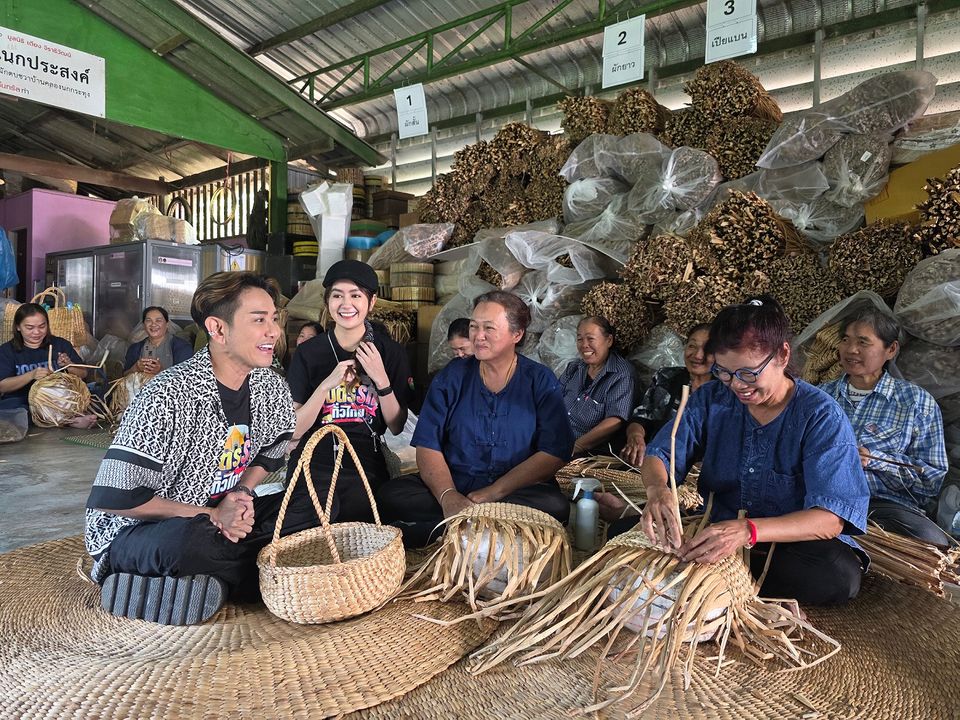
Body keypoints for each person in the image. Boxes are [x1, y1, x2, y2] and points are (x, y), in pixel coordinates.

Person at [84, 272, 316, 625]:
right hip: (141, 529)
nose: (273, 331)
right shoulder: (168, 395)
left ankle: (206, 580)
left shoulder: (270, 385)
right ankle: (253, 579)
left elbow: (275, 446)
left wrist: (239, 494)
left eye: (274, 319)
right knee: (192, 541)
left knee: (313, 503)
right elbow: (115, 500)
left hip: (217, 514)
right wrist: (211, 516)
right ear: (218, 329)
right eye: (258, 320)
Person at [606, 297, 870, 606]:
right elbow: (660, 454)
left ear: (782, 355)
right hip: (717, 531)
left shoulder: (820, 415)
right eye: (724, 372)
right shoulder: (712, 398)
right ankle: (724, 575)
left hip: (787, 543)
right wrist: (657, 489)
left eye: (748, 373)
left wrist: (748, 531)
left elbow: (829, 519)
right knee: (621, 533)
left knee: (838, 576)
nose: (736, 385)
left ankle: (719, 579)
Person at [376, 290, 575, 548]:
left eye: (488, 328)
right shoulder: (451, 377)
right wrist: (448, 496)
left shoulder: (539, 380)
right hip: (456, 483)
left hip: (513, 490)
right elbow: (428, 445)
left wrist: (493, 493)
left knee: (554, 506)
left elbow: (554, 452)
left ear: (517, 334)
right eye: (473, 326)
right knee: (391, 496)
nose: (477, 336)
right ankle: (480, 528)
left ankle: (444, 531)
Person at [287, 260, 413, 522]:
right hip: (314, 455)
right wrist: (325, 386)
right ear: (327, 301)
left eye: (356, 295)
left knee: (360, 516)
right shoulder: (308, 353)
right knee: (312, 517)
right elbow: (295, 429)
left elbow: (397, 425)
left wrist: (381, 379)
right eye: (337, 296)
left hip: (365, 456)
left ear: (372, 301)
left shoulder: (391, 353)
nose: (346, 304)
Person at [820, 310, 950, 547]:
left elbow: (931, 480)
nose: (851, 349)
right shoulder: (821, 397)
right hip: (824, 500)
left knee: (933, 542)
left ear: (891, 350)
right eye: (846, 339)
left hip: (882, 506)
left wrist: (874, 460)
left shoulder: (916, 402)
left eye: (863, 342)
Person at [621, 324, 713, 466]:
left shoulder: (726, 392)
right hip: (655, 464)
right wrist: (636, 437)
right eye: (692, 346)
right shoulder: (667, 377)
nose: (698, 355)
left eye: (708, 349)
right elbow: (642, 417)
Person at [558, 316, 635, 455]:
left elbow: (615, 421)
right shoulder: (574, 367)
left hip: (584, 450)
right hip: (554, 437)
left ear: (609, 340)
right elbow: (553, 399)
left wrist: (576, 447)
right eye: (580, 339)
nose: (584, 345)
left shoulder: (621, 374)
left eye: (590, 338)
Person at [0, 303, 88, 413]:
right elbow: (2, 386)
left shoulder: (60, 344)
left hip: (59, 400)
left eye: (42, 326)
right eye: (29, 328)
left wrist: (69, 366)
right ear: (18, 327)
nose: (36, 332)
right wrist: (31, 375)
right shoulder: (7, 351)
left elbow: (84, 374)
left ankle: (69, 418)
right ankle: (71, 420)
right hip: (23, 401)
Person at [123, 306, 193, 377]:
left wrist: (160, 371)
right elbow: (123, 378)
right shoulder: (135, 348)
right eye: (148, 320)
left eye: (158, 320)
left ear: (167, 324)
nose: (153, 324)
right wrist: (135, 368)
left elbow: (185, 380)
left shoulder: (182, 348)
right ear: (144, 325)